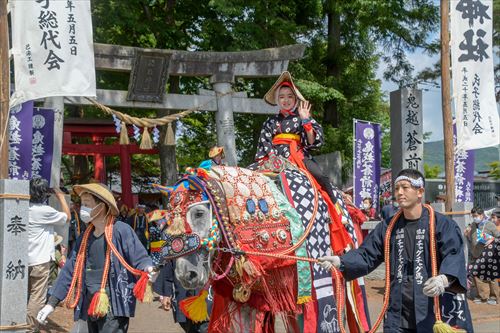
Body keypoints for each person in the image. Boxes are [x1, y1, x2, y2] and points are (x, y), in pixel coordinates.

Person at [318, 169, 473, 332]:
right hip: (398, 309)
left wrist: (444, 279)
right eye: (397, 188)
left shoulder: (442, 224)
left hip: (432, 305)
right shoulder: (388, 226)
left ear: (420, 192)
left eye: (405, 187)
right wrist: (341, 261)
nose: (399, 192)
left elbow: (453, 254)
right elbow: (367, 254)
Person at [36, 183, 158, 333]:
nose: (83, 208)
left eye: (87, 204)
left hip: (113, 300)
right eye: (82, 204)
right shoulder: (85, 237)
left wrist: (147, 267)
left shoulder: (120, 230)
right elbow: (70, 268)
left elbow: (139, 256)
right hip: (88, 301)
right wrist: (52, 303)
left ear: (102, 206)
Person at [254, 71, 338, 204]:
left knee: (320, 176)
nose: (286, 100)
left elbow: (312, 142)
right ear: (277, 100)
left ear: (295, 99)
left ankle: (335, 206)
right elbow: (265, 141)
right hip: (274, 156)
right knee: (249, 176)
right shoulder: (270, 121)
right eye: (281, 97)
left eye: (289, 96)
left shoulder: (302, 118)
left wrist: (306, 122)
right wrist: (272, 157)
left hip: (297, 155)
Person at [27, 178, 70, 332]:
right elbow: (67, 217)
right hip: (40, 260)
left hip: (22, 259)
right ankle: (30, 328)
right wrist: (60, 197)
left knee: (24, 294)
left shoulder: (23, 208)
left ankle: (18, 323)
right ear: (45, 194)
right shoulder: (45, 211)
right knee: (37, 296)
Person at [154, 261, 209, 333]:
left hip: (206, 298)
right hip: (183, 298)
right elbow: (169, 269)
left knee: (204, 328)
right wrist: (167, 294)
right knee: (188, 327)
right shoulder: (176, 251)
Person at [464, 207, 500, 305]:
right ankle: (483, 296)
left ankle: (494, 296)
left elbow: (498, 237)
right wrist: (467, 234)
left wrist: (492, 239)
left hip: (489, 254)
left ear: (482, 215)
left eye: (476, 216)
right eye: (473, 216)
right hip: (476, 253)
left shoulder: (489, 225)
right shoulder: (472, 225)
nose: (475, 218)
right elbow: (472, 239)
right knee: (477, 276)